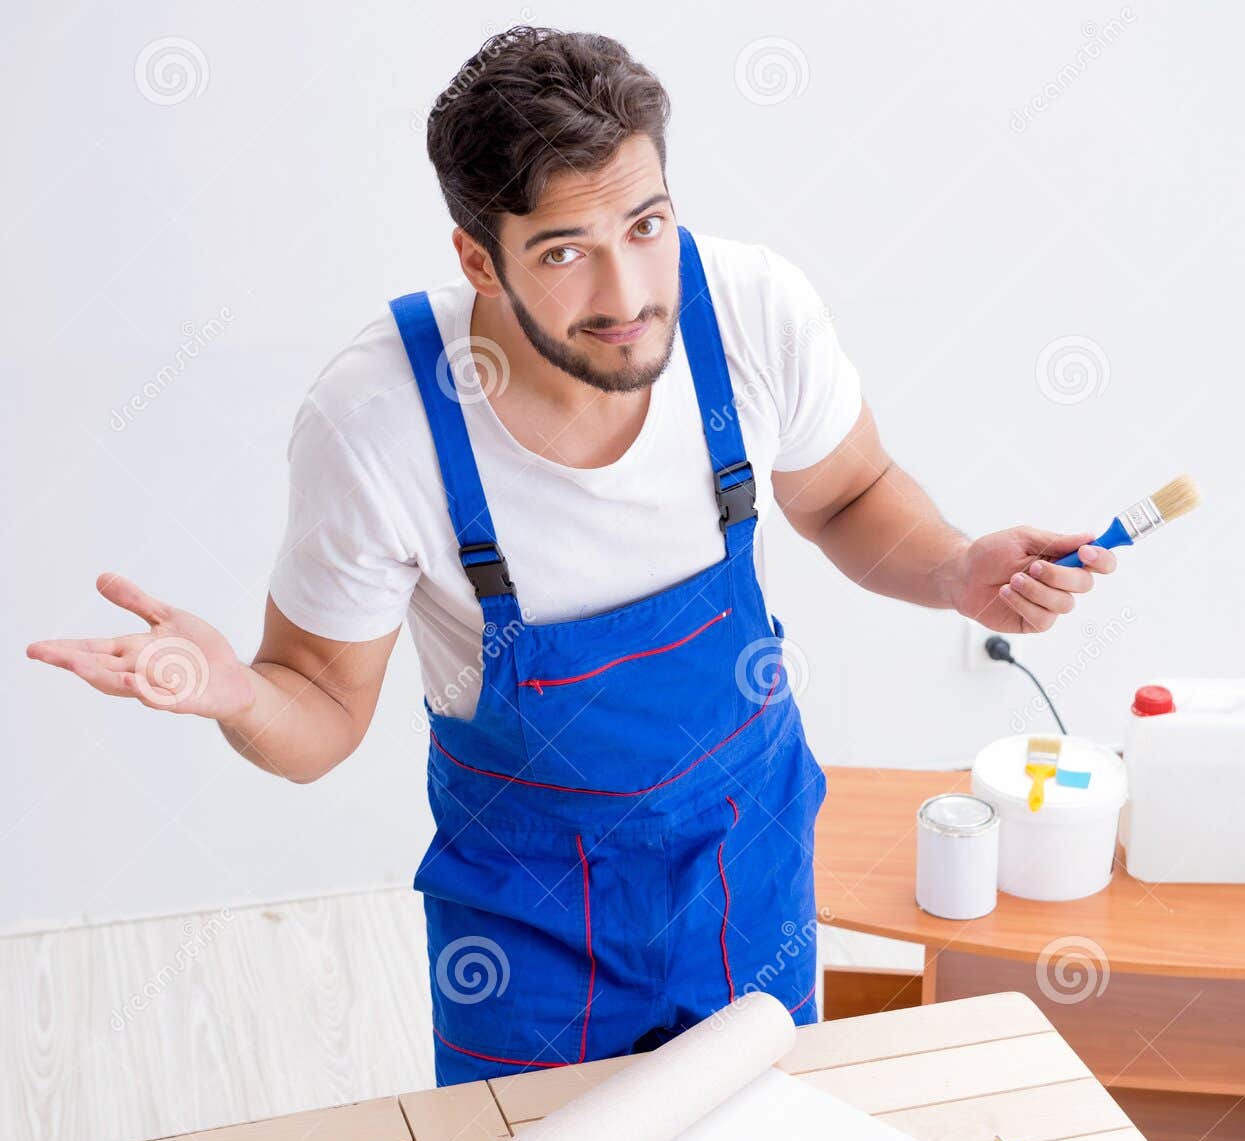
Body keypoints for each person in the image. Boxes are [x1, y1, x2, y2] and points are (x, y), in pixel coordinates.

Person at [27, 28, 1114, 1086]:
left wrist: (955, 568)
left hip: (749, 864)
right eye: (563, 251)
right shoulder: (379, 422)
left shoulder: (747, 312)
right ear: (476, 259)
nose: (628, 293)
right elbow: (315, 711)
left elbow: (851, 495)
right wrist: (237, 696)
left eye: (646, 225)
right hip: (527, 915)